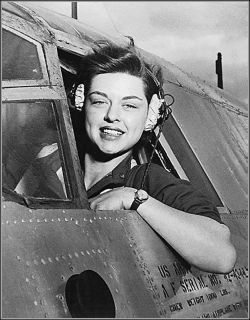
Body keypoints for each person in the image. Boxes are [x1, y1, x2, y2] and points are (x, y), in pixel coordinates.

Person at [69, 42, 236, 274]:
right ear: (82, 102)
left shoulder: (147, 180)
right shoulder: (45, 161)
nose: (112, 116)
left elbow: (222, 256)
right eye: (99, 101)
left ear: (151, 115)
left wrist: (133, 198)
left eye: (129, 105)